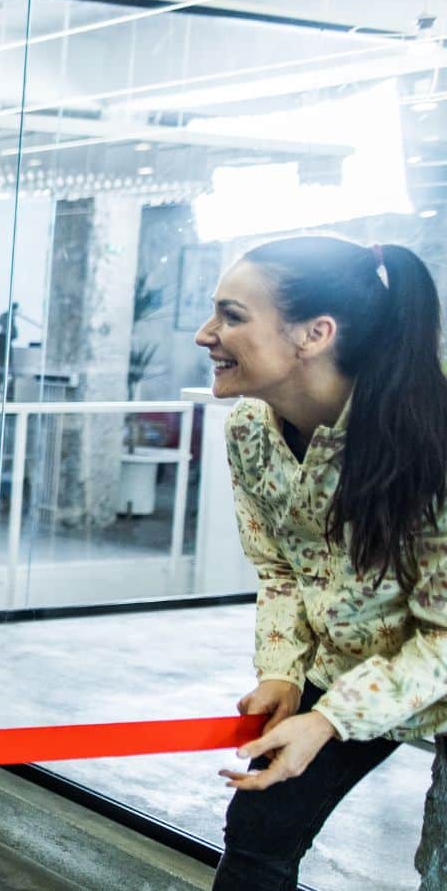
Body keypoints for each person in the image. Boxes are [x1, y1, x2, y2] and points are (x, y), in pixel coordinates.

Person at [194, 235, 447, 889]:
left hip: (435, 656)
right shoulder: (250, 429)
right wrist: (283, 672)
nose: (205, 334)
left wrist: (331, 719)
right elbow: (281, 567)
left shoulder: (432, 439)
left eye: (231, 316)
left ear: (315, 334)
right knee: (260, 823)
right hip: (351, 662)